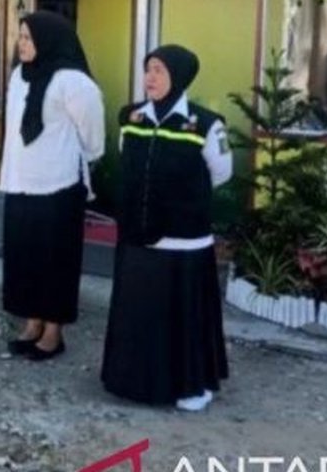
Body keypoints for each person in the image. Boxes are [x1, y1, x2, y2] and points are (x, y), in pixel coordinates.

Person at [101, 44, 233, 412]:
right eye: (148, 70)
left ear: (179, 75)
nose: (151, 78)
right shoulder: (131, 118)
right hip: (138, 237)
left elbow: (221, 174)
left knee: (182, 318)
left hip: (183, 239)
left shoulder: (205, 124)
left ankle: (191, 384)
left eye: (159, 70)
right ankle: (134, 382)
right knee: (141, 312)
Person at [0, 11, 105, 361]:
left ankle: (54, 331)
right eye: (21, 37)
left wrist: (80, 157)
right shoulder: (19, 75)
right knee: (24, 257)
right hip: (21, 182)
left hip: (58, 185)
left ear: (49, 39)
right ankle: (32, 321)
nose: (22, 44)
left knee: (55, 261)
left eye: (29, 38)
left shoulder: (73, 81)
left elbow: (93, 136)